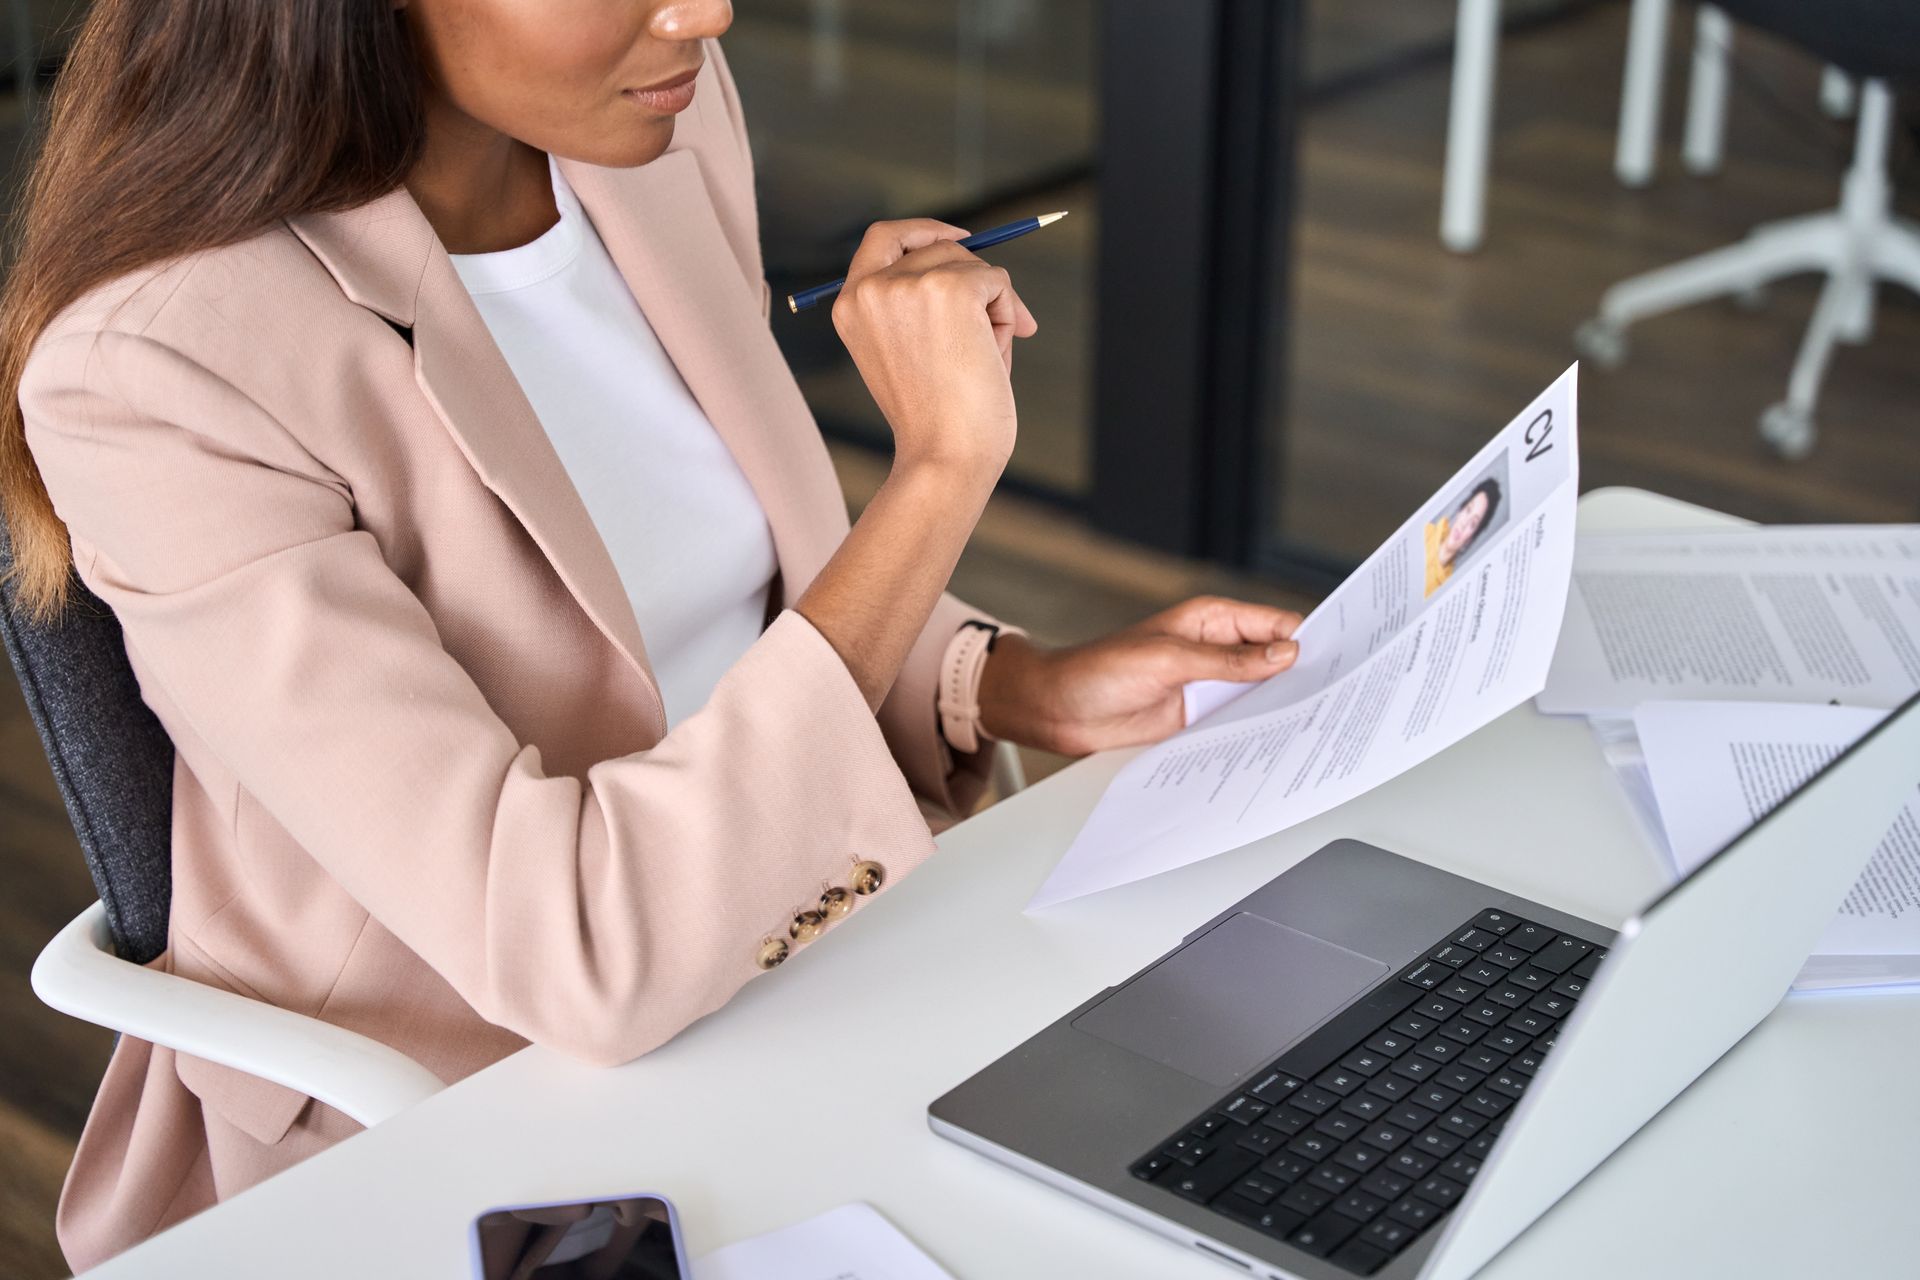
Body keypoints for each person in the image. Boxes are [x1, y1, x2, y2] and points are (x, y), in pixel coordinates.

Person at [0, 1, 1306, 1268]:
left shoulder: (651, 134)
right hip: (477, 1094)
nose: (703, 16)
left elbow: (744, 596)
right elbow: (578, 953)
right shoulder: (159, 367)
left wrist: (1018, 686)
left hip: (806, 953)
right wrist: (942, 467)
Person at [1423, 477, 1503, 597]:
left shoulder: (1449, 590)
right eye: (1468, 510)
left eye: (1473, 524)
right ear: (1461, 510)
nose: (1464, 524)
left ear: (1472, 537)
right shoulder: (1425, 532)